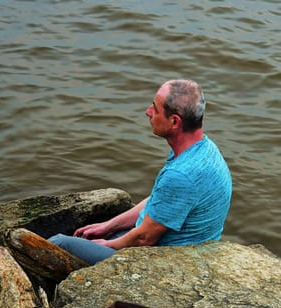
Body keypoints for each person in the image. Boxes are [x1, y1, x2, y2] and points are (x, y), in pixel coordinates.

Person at [49, 79, 232, 264]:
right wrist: (107, 227)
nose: (148, 112)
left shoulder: (181, 175)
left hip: (165, 263)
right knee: (89, 234)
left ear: (174, 121)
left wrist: (108, 245)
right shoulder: (204, 149)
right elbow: (158, 202)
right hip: (182, 247)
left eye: (155, 108)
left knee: (59, 243)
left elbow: (144, 238)